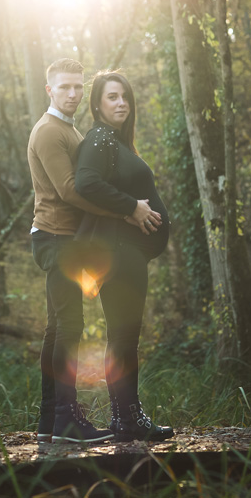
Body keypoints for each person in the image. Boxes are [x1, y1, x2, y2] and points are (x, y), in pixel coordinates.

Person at [27, 58, 162, 443]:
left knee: (58, 329)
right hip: (57, 236)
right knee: (69, 328)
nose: (72, 93)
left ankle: (51, 421)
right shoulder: (49, 131)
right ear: (49, 90)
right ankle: (66, 420)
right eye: (64, 87)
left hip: (66, 237)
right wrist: (129, 210)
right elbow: (71, 190)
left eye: (77, 87)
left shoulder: (69, 130)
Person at [75, 70, 174, 443]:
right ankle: (129, 419)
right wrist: (132, 207)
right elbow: (86, 182)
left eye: (124, 96)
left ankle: (123, 418)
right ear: (97, 104)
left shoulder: (114, 141)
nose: (121, 103)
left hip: (125, 252)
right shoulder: (99, 138)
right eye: (112, 97)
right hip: (117, 251)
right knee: (124, 335)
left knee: (123, 335)